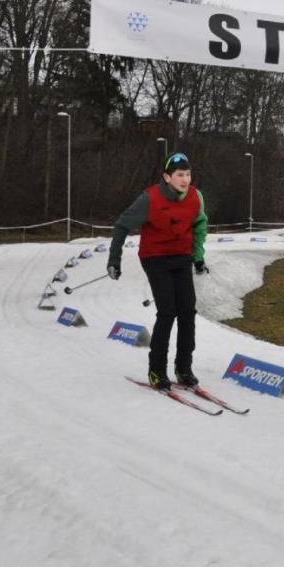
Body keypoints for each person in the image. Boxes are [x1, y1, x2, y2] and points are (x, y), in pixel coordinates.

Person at [107, 152, 209, 391]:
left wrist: (198, 257)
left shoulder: (195, 197)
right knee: (168, 311)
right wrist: (115, 259)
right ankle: (156, 370)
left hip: (181, 256)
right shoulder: (149, 199)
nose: (185, 179)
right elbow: (122, 225)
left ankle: (183, 368)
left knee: (187, 311)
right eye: (180, 175)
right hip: (155, 258)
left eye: (188, 174)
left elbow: (199, 225)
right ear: (167, 177)